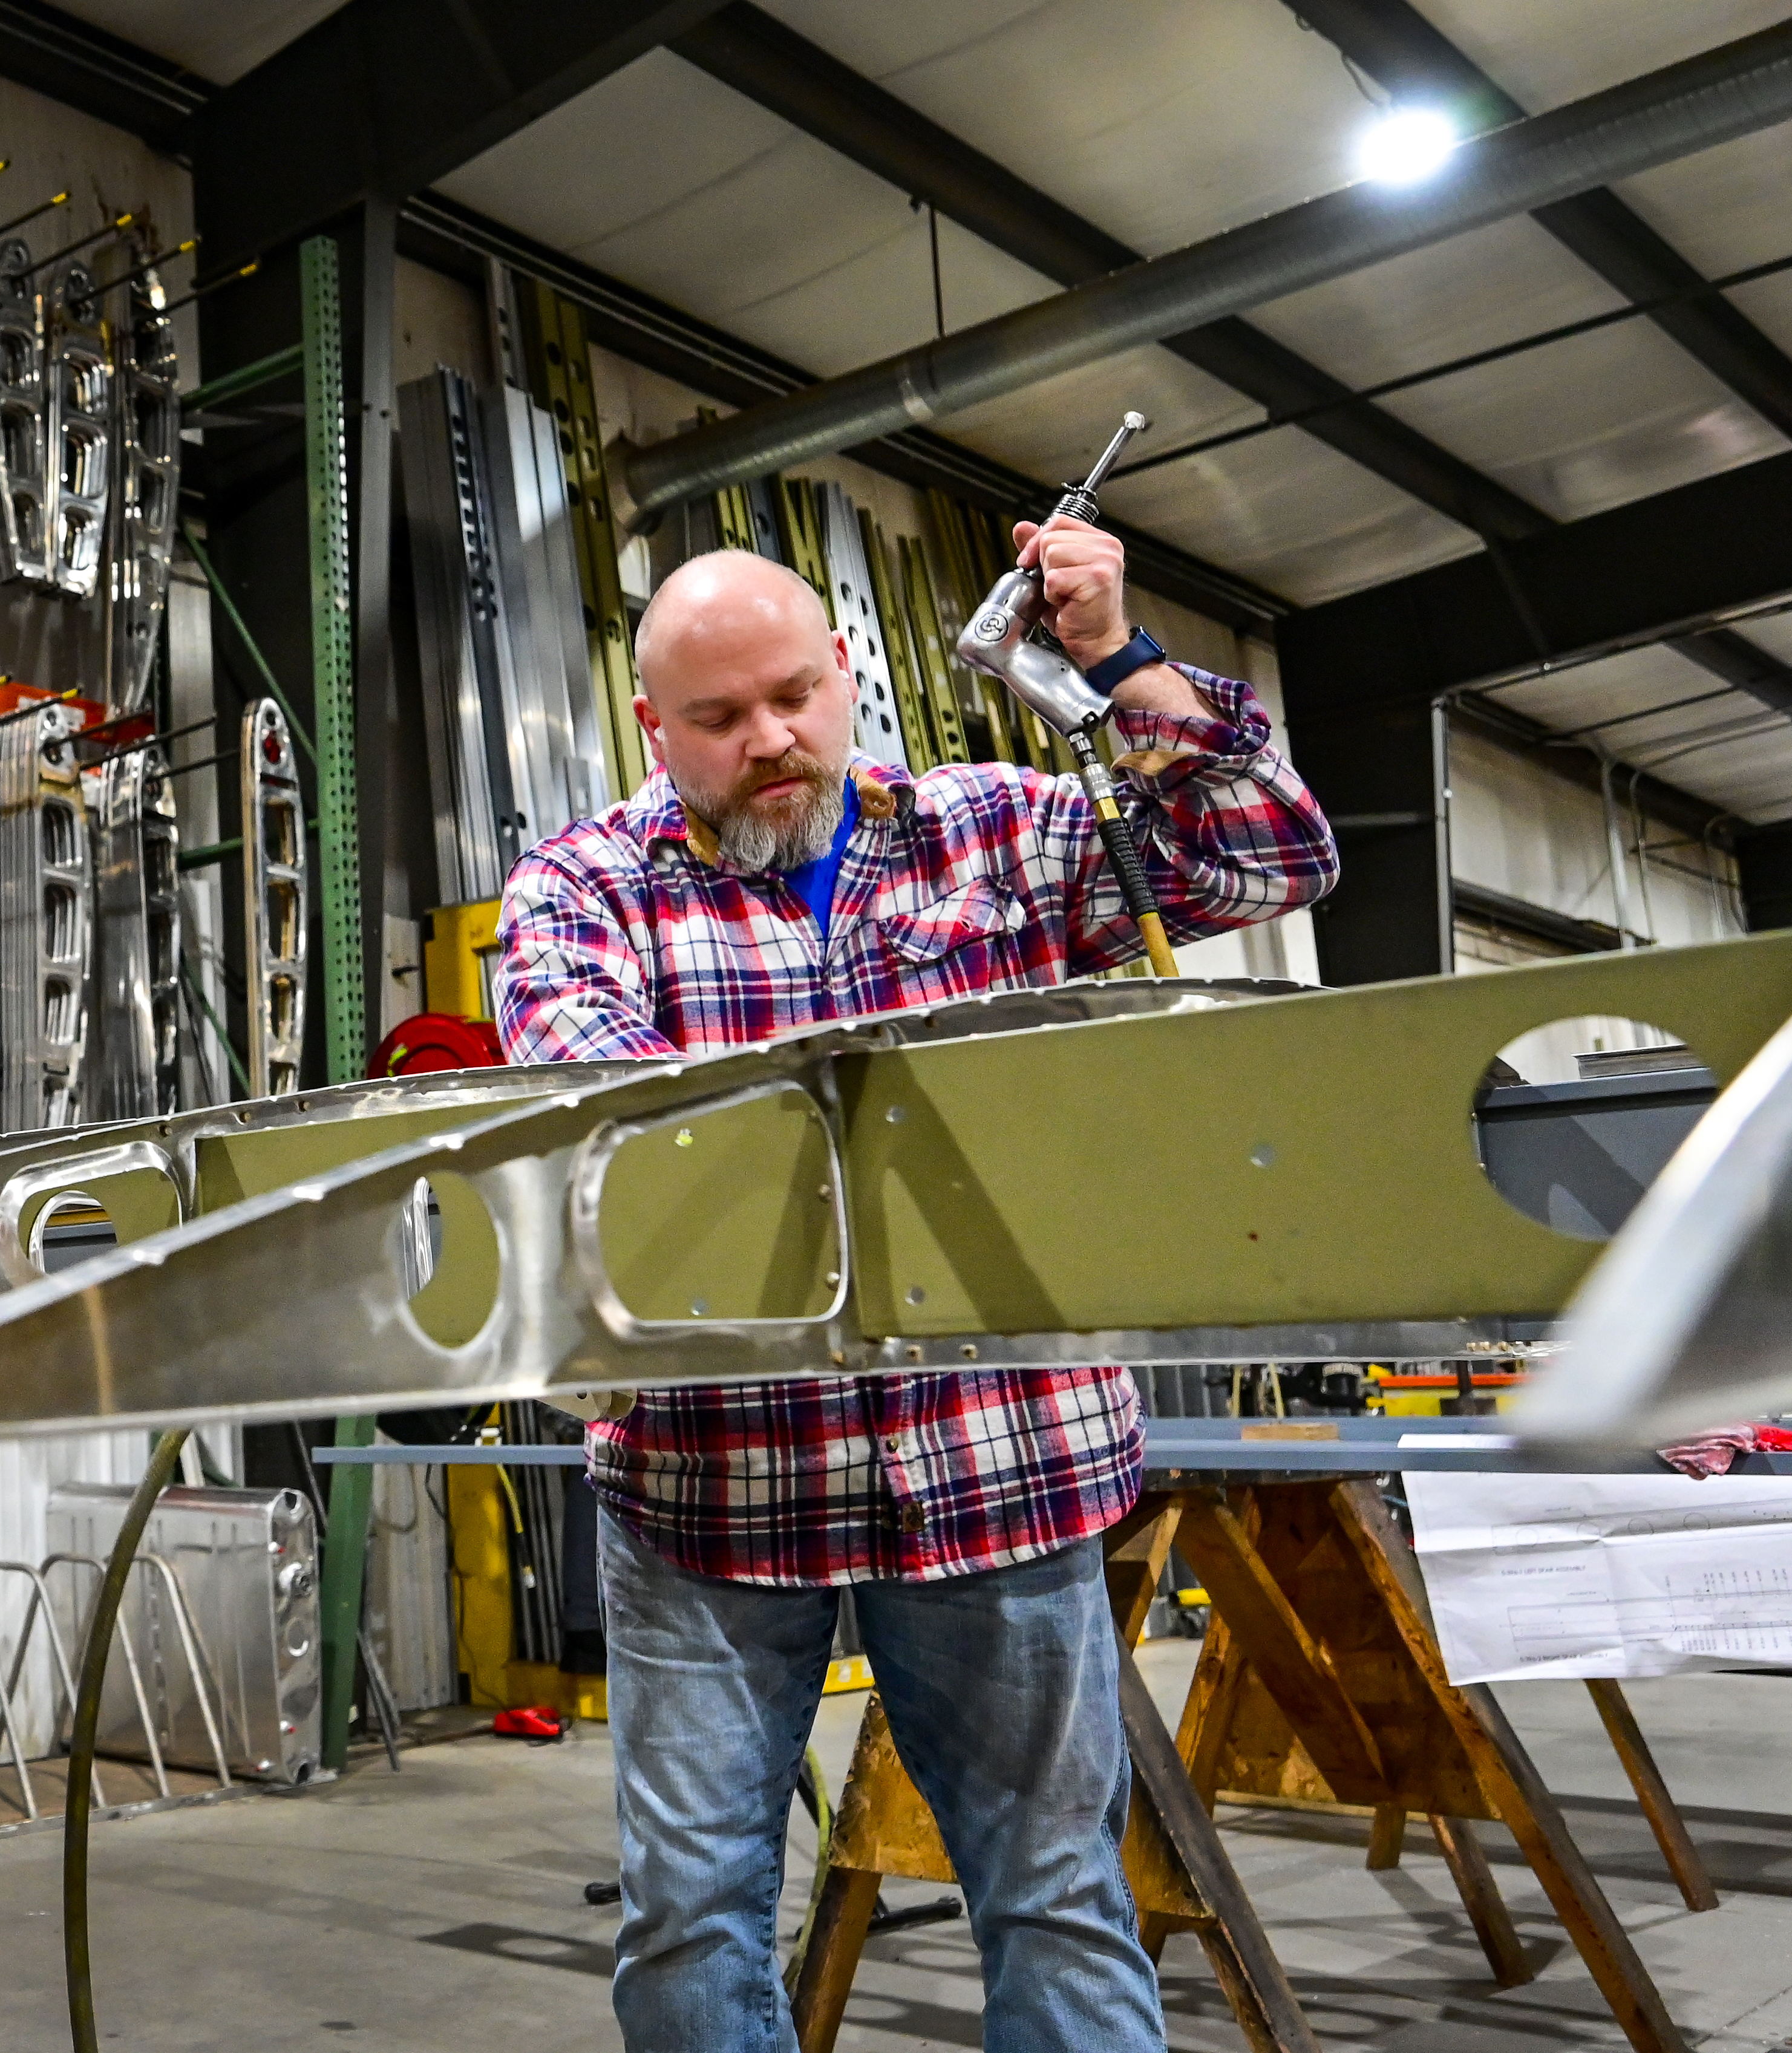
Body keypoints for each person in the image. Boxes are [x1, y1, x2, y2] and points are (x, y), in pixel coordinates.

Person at [495, 514, 1336, 2051]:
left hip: (993, 1463)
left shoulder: (995, 833)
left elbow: (1272, 857)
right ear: (648, 728)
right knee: (685, 1920)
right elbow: (604, 1121)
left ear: (845, 675)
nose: (770, 740)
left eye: (793, 694)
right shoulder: (580, 892)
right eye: (718, 716)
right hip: (714, 1490)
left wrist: (1112, 659)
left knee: (1056, 1891)